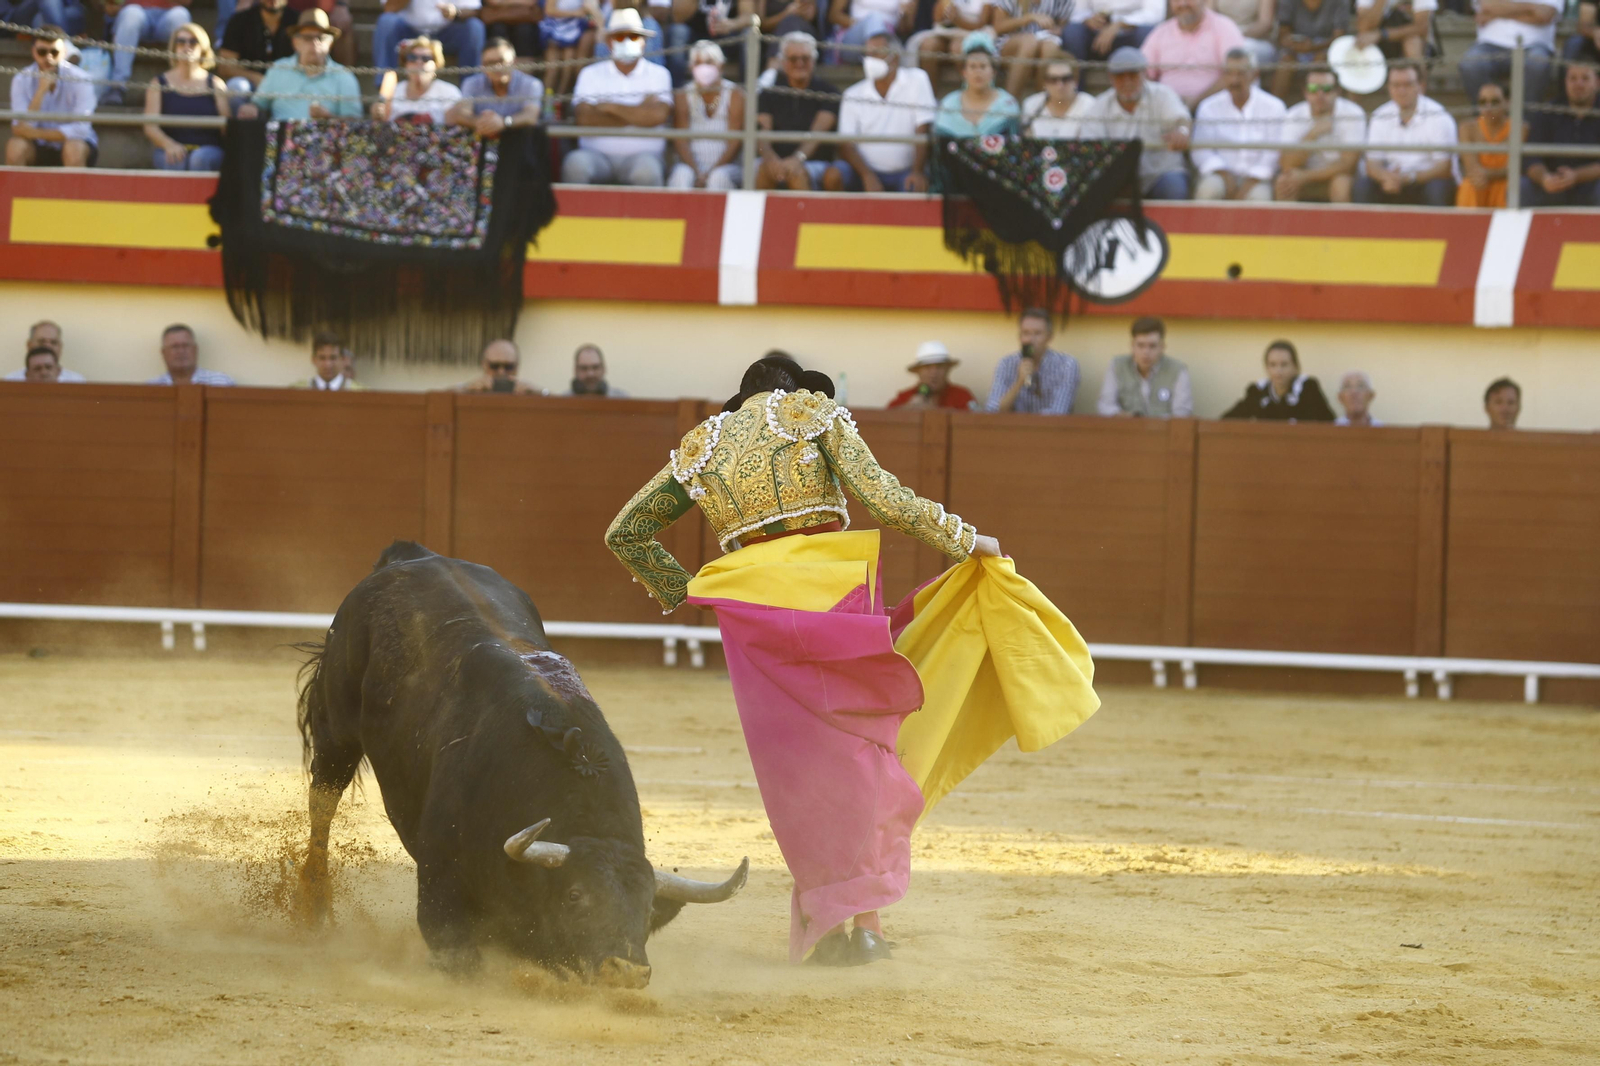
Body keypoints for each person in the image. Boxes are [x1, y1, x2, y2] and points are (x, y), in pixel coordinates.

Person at [605, 353, 1097, 968]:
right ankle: (864, 927)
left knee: (802, 776)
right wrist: (967, 540)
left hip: (757, 624)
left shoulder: (702, 448)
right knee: (859, 757)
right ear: (794, 389)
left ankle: (840, 923)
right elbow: (885, 502)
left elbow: (625, 533)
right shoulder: (812, 414)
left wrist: (694, 594)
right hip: (832, 605)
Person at [563, 9, 673, 186]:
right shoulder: (589, 74)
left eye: (634, 37)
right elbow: (584, 118)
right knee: (576, 165)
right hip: (596, 156)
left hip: (643, 157)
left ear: (644, 42)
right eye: (620, 37)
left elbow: (657, 116)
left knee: (647, 172)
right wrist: (639, 113)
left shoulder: (660, 75)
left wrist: (609, 107)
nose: (627, 41)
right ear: (609, 42)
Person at [1082, 47, 1192, 200]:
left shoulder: (1163, 94)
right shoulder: (1099, 106)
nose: (1127, 82)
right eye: (1120, 76)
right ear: (1110, 78)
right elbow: (1090, 145)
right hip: (1118, 177)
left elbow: (1182, 121)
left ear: (1144, 74)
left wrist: (1182, 132)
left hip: (1161, 173)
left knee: (1174, 188)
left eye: (1133, 75)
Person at [834, 31, 937, 192]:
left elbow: (923, 127)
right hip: (864, 172)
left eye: (876, 53)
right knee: (834, 175)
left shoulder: (917, 80)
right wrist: (867, 176)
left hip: (906, 171)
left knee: (915, 185)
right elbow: (846, 144)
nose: (870, 60)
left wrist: (917, 171)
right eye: (868, 54)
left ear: (894, 57)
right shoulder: (853, 94)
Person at [1355, 61, 1455, 207]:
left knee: (1437, 188)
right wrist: (1386, 177)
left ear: (1420, 86)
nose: (1401, 91)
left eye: (1407, 84)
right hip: (1391, 181)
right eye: (1396, 85)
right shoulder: (1380, 115)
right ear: (1389, 88)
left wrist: (1409, 178)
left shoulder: (1439, 116)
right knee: (1362, 187)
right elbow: (1372, 163)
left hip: (1424, 181)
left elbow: (1444, 168)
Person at [1193, 47, 1286, 201]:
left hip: (1258, 178)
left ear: (1254, 74)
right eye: (1229, 73)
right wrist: (1223, 173)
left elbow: (1274, 153)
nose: (1234, 80)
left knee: (1259, 199)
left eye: (1240, 74)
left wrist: (1251, 181)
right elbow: (1201, 150)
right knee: (1207, 191)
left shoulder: (1274, 107)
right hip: (1219, 174)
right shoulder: (1208, 107)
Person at [757, 32, 843, 191]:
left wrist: (797, 159)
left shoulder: (829, 93)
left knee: (796, 173)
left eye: (805, 58)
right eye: (793, 59)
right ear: (783, 61)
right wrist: (770, 159)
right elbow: (762, 134)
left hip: (813, 162)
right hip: (773, 159)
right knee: (763, 170)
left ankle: (804, 217)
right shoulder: (768, 93)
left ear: (814, 60)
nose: (800, 63)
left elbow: (817, 134)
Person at [240, 9, 362, 120]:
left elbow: (356, 124)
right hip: (281, 140)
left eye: (320, 38)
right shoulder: (278, 69)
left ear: (330, 44)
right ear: (295, 43)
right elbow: (258, 104)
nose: (314, 43)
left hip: (325, 141)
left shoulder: (344, 77)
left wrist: (329, 118)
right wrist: (251, 109)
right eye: (308, 38)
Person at [143, 23, 229, 172]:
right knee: (174, 160)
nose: (186, 46)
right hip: (169, 148)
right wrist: (169, 145)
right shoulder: (158, 83)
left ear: (203, 48)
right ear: (174, 47)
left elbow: (227, 127)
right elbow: (150, 126)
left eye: (193, 42)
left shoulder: (215, 84)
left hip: (208, 150)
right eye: (181, 41)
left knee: (200, 159)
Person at [6, 28, 97, 169]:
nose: (48, 58)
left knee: (74, 149)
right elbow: (19, 128)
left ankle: (74, 192)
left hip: (73, 144)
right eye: (42, 52)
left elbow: (81, 130)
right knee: (15, 147)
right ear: (33, 52)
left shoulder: (81, 78)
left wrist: (36, 133)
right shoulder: (21, 79)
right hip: (38, 146)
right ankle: (18, 192)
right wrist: (41, 91)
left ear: (64, 52)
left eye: (54, 52)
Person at [1275, 65, 1364, 203]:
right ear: (1305, 92)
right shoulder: (1293, 115)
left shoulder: (1353, 113)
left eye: (1327, 89)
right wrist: (1312, 135)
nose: (1320, 95)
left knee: (1340, 184)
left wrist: (1305, 176)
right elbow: (1286, 163)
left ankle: (1341, 225)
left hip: (1338, 176)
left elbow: (1349, 165)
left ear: (1337, 91)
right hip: (1305, 175)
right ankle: (1288, 225)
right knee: (1284, 182)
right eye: (1313, 89)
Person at [1138, 0, 1245, 111]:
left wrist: (1197, 101)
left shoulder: (1224, 27)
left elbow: (1236, 73)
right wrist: (1165, 100)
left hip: (1214, 111)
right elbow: (1143, 73)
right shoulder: (1160, 33)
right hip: (1166, 112)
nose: (1182, 4)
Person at [1520, 62, 1600, 208]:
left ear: (1597, 83)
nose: (1578, 84)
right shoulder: (1549, 111)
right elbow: (1530, 157)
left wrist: (1576, 176)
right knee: (1521, 187)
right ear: (1565, 83)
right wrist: (1544, 178)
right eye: (1573, 79)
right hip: (1552, 184)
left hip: (1591, 184)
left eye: (1585, 78)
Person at [669, 40, 744, 190]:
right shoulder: (683, 95)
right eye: (698, 63)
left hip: (727, 167)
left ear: (720, 65)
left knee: (718, 179)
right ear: (691, 67)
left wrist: (709, 174)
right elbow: (681, 141)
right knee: (681, 176)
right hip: (690, 165)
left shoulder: (735, 94)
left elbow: (734, 142)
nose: (704, 67)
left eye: (709, 62)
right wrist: (698, 172)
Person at [1457, 0, 1560, 107]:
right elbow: (1486, 5)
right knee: (1471, 64)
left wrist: (1497, 13)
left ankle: (1525, 122)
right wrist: (1531, 8)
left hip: (1534, 45)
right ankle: (1490, 120)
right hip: (1489, 44)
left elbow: (1545, 15)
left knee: (1537, 64)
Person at [983, 308, 1080, 414]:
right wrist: (1019, 382)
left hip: (1050, 429)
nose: (1030, 339)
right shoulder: (1007, 363)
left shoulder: (1066, 364)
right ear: (1020, 337)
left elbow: (1058, 412)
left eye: (1037, 333)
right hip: (1014, 429)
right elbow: (993, 410)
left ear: (1049, 337)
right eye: (1026, 333)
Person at [1094, 316, 1193, 417]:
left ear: (1162, 347)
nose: (1146, 352)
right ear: (1132, 346)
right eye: (1141, 345)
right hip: (1126, 429)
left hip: (1162, 431)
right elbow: (1105, 405)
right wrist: (1122, 416)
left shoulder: (1177, 370)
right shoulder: (1117, 365)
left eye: (1152, 346)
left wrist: (1154, 424)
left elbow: (1182, 412)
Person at [447, 35, 543, 136]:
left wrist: (504, 122)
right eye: (490, 63)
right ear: (482, 66)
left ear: (514, 62)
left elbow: (531, 116)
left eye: (502, 61)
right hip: (483, 136)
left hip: (520, 140)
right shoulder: (471, 83)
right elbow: (462, 114)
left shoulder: (531, 84)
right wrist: (483, 123)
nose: (497, 67)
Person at [1220, 339, 1334, 421]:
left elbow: (1329, 423)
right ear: (1266, 368)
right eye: (1272, 365)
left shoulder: (1308, 389)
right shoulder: (1258, 391)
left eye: (1284, 365)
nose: (1278, 371)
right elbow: (1227, 421)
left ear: (1296, 367)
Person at [933, 33, 1021, 137]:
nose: (978, 72)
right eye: (972, 66)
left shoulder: (1007, 105)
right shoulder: (948, 105)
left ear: (993, 72)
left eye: (983, 66)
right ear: (964, 73)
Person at [108, 0, 193, 106]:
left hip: (168, 13)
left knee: (180, 15)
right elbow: (108, 6)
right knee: (130, 14)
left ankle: (183, 88)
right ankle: (117, 87)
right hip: (136, 11)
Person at [373, 0, 486, 77]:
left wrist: (456, 12)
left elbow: (474, 10)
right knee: (386, 21)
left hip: (447, 34)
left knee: (474, 27)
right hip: (408, 33)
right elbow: (389, 8)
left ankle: (470, 89)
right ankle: (384, 87)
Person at [1271, 0, 1349, 100]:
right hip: (1296, 48)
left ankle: (1312, 107)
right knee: (1286, 61)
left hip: (1325, 48)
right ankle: (1276, 107)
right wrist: (1292, 43)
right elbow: (1283, 32)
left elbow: (1339, 37)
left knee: (1321, 60)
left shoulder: (1340, 2)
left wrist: (1312, 47)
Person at [990, 0, 1070, 97]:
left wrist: (1058, 29)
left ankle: (1041, 104)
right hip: (1009, 42)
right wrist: (1029, 18)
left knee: (1050, 47)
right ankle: (1010, 104)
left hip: (1045, 40)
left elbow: (1063, 24)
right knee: (1030, 42)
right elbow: (998, 27)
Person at [373, 35, 463, 121]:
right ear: (405, 65)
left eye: (426, 58)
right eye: (412, 58)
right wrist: (377, 112)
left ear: (436, 65)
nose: (418, 62)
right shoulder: (393, 91)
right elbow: (382, 118)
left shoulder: (449, 92)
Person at [911, 0, 993, 87]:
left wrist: (958, 20)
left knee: (957, 47)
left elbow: (981, 23)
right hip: (946, 32)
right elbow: (937, 18)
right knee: (928, 46)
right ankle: (930, 95)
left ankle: (969, 92)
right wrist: (946, 11)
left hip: (973, 33)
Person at [1457, 81, 1512, 208]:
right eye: (1483, 102)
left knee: (1509, 186)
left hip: (1504, 183)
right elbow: (1471, 167)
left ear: (1507, 103)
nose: (1488, 107)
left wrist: (1488, 174)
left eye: (1495, 102)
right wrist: (1485, 175)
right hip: (1479, 182)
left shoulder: (1519, 128)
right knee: (1469, 185)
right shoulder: (1467, 128)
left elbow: (1514, 169)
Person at [217, 0, 293, 92]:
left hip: (288, 85)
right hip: (252, 84)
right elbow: (225, 66)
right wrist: (255, 77)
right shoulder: (239, 20)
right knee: (237, 86)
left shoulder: (297, 22)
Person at [1062, 0, 1163, 62]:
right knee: (1072, 32)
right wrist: (1088, 19)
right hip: (1095, 34)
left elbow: (1154, 13)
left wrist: (1120, 24)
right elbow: (1077, 11)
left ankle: (1144, 88)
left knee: (1147, 33)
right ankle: (1075, 90)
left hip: (1130, 33)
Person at [887, 342, 978, 409]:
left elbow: (977, 423)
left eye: (939, 367)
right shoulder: (906, 397)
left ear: (947, 369)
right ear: (918, 371)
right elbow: (884, 419)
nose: (934, 372)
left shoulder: (962, 396)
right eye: (927, 367)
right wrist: (909, 407)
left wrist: (933, 409)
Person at [1022, 57, 1093, 137]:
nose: (1060, 86)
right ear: (1045, 83)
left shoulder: (1089, 105)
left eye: (1066, 79)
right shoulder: (1032, 104)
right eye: (1053, 80)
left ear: (1076, 80)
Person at [540, 0, 595, 103]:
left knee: (569, 64)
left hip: (573, 30)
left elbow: (589, 12)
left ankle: (559, 101)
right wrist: (576, 13)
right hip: (553, 30)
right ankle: (545, 103)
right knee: (553, 69)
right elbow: (549, 10)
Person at [146, 325, 235, 386]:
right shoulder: (150, 388)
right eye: (174, 347)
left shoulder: (221, 382)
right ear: (163, 353)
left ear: (195, 349)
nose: (181, 351)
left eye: (185, 345)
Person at [3, 321, 86, 382]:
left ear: (60, 347)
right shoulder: (11, 380)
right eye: (41, 341)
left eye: (53, 342)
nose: (48, 346)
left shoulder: (77, 381)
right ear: (29, 345)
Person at [1354, 0, 1432, 64]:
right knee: (1365, 38)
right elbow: (1363, 28)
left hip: (1410, 42)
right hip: (1377, 42)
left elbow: (1421, 27)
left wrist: (1381, 34)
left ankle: (1419, 82)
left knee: (1412, 41)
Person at [457, 338, 542, 393]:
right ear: (484, 365)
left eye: (508, 367)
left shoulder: (527, 391)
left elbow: (553, 402)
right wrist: (466, 388)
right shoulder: (471, 389)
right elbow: (445, 397)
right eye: (494, 366)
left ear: (517, 367)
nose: (501, 372)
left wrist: (537, 392)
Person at [827, 0, 915, 52]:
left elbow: (905, 29)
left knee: (879, 26)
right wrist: (866, 25)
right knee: (875, 18)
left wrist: (905, 16)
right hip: (854, 36)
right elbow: (834, 15)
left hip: (889, 36)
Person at [291, 331, 366, 390]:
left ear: (342, 359)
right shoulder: (297, 391)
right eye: (322, 358)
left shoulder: (360, 393)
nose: (328, 364)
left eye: (333, 358)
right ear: (313, 360)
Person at [1216, 0, 1277, 68]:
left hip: (1253, 39)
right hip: (1221, 36)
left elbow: (1265, 24)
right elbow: (1208, 15)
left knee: (1244, 48)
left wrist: (1235, 36)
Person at [564, 343, 629, 396]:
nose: (590, 374)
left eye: (595, 367)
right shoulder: (562, 402)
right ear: (575, 370)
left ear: (604, 369)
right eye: (584, 368)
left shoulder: (623, 400)